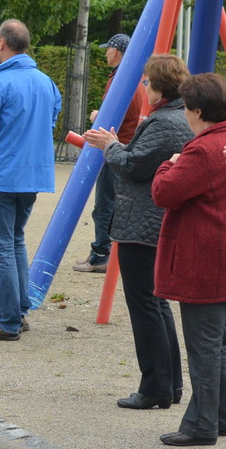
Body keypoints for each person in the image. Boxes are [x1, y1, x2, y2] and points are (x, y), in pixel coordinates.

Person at [150, 72, 226, 446]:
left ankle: (202, 423)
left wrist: (168, 163)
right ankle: (219, 415)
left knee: (204, 345)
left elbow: (164, 192)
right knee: (217, 341)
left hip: (203, 262)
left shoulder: (202, 149)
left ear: (195, 111)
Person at [85, 53, 190, 411]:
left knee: (146, 307)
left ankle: (156, 386)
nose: (143, 87)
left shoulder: (163, 122)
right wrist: (119, 146)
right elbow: (142, 159)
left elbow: (133, 165)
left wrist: (110, 147)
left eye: (146, 82)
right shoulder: (176, 117)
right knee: (157, 304)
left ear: (159, 87)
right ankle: (170, 383)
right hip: (153, 222)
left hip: (141, 225)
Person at [0, 19, 61, 341]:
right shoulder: (46, 82)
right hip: (33, 174)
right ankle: (19, 311)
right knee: (17, 240)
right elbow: (51, 120)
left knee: (2, 249)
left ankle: (8, 321)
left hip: (2, 175)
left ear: (1, 43)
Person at [74, 33, 148, 274]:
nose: (106, 53)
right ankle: (105, 251)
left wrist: (98, 117)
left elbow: (115, 115)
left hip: (114, 148)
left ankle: (100, 254)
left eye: (108, 49)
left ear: (116, 52)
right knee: (112, 203)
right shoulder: (135, 79)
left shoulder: (120, 80)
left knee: (104, 204)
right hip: (125, 146)